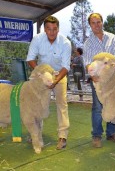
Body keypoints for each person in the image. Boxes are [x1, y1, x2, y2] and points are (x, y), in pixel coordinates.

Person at [26, 15, 71, 150]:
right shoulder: (37, 39)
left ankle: (63, 137)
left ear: (58, 29)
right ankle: (36, 133)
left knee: (61, 104)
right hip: (41, 76)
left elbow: (66, 67)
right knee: (38, 105)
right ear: (45, 29)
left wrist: (55, 80)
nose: (52, 32)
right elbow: (30, 59)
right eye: (49, 29)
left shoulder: (65, 43)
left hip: (59, 75)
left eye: (54, 29)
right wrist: (40, 73)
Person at [83, 13, 115, 148]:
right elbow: (87, 62)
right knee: (98, 107)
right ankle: (97, 135)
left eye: (98, 22)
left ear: (102, 22)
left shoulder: (113, 38)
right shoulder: (88, 43)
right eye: (93, 23)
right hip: (98, 80)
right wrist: (93, 75)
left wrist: (107, 69)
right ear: (90, 25)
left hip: (112, 80)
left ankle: (112, 133)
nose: (96, 25)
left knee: (112, 105)